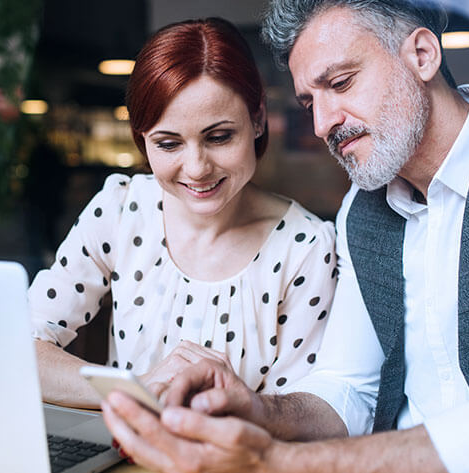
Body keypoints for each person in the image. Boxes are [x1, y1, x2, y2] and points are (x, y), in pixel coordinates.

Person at [100, 1, 469, 472]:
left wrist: (277, 461)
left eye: (340, 83)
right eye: (310, 100)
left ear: (423, 55)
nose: (321, 123)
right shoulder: (361, 212)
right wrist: (261, 410)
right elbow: (347, 393)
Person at [28, 17, 337, 409]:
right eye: (169, 144)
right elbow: (22, 347)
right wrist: (138, 387)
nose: (196, 168)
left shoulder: (305, 248)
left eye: (219, 136)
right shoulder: (121, 209)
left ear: (258, 120)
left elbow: (300, 416)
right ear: (142, 140)